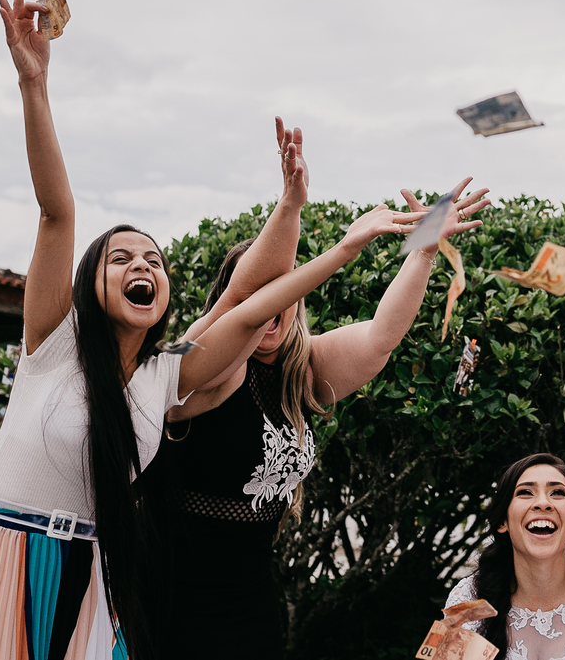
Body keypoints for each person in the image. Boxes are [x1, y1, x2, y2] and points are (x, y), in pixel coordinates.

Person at [0, 0, 424, 660]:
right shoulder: (52, 343)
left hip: (90, 579)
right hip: (4, 551)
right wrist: (34, 85)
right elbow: (56, 211)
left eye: (156, 259)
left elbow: (255, 300)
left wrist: (325, 230)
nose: (143, 265)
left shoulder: (170, 375)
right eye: (121, 257)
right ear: (88, 283)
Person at [148, 130, 490, 659]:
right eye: (260, 294)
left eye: (282, 292)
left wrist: (422, 252)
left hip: (252, 600)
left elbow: (380, 338)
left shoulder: (299, 371)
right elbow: (241, 305)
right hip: (175, 598)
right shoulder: (203, 366)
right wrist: (294, 210)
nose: (269, 306)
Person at [446, 453, 565, 660]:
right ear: (502, 523)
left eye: (557, 493)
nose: (543, 503)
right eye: (526, 492)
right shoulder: (466, 598)